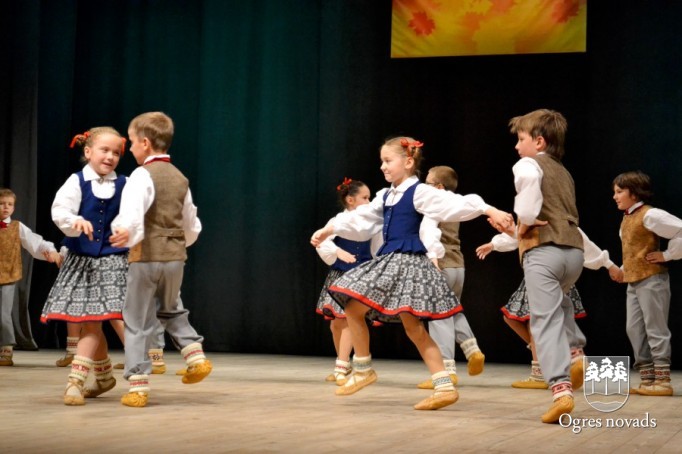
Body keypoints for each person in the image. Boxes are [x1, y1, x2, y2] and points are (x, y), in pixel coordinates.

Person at [311, 136, 512, 411]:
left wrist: (490, 210)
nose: (382, 166)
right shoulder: (386, 196)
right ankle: (439, 384)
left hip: (406, 263)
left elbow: (453, 202)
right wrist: (330, 229)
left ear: (407, 162)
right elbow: (361, 218)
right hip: (394, 261)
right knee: (397, 322)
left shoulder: (419, 192)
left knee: (376, 314)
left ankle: (367, 369)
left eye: (388, 160)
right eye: (381, 161)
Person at [110, 111, 211, 408]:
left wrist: (125, 233)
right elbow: (191, 222)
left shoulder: (141, 175)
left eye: (131, 142)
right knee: (170, 308)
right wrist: (178, 244)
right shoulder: (180, 177)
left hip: (146, 256)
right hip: (175, 256)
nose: (129, 149)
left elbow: (133, 213)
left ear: (145, 143)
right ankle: (195, 355)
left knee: (136, 320)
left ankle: (138, 386)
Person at [502, 109, 584, 423]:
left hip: (544, 252)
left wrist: (524, 220)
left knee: (543, 322)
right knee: (560, 304)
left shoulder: (528, 163)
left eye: (521, 139)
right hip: (573, 254)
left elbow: (528, 194)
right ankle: (576, 353)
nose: (516, 146)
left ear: (539, 141)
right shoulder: (565, 173)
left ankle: (560, 391)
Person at [41, 127, 129, 406]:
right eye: (105, 150)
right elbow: (60, 211)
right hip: (82, 259)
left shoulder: (125, 184)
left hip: (113, 260)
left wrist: (127, 230)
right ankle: (102, 377)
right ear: (88, 151)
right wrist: (74, 222)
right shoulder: (76, 181)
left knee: (95, 319)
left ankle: (75, 381)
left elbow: (135, 216)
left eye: (116, 153)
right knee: (89, 320)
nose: (111, 156)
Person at [476, 228, 617, 388]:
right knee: (528, 319)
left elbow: (519, 230)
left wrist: (608, 264)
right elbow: (584, 243)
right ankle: (565, 356)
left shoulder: (536, 220)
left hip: (542, 274)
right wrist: (494, 244)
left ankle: (543, 371)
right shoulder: (563, 221)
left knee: (537, 321)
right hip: (554, 273)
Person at [610, 170, 682, 396]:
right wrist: (623, 269)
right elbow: (634, 250)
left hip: (652, 279)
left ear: (634, 193)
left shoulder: (650, 215)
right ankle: (648, 378)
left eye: (619, 191)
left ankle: (662, 381)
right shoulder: (627, 217)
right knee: (634, 328)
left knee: (655, 327)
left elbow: (680, 229)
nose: (615, 196)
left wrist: (667, 255)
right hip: (634, 281)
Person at [415, 166, 485, 390]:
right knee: (453, 309)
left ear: (438, 187)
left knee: (438, 316)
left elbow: (429, 233)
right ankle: (472, 349)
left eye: (427, 183)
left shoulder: (435, 205)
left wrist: (433, 258)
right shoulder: (456, 203)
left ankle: (446, 370)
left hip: (441, 263)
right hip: (458, 265)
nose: (423, 187)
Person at [316, 178, 378, 385]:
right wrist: (337, 251)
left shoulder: (371, 222)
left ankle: (341, 367)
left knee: (349, 319)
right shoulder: (339, 219)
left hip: (360, 274)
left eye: (369, 198)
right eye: (365, 198)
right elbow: (320, 240)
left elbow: (377, 248)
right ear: (351, 200)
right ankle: (343, 363)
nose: (369, 202)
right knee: (336, 324)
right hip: (340, 273)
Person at [0, 188, 61, 366]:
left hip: (8, 274)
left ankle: (6, 349)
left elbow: (35, 242)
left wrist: (49, 251)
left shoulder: (17, 227)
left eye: (10, 204)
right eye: (2, 204)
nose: (6, 207)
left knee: (3, 313)